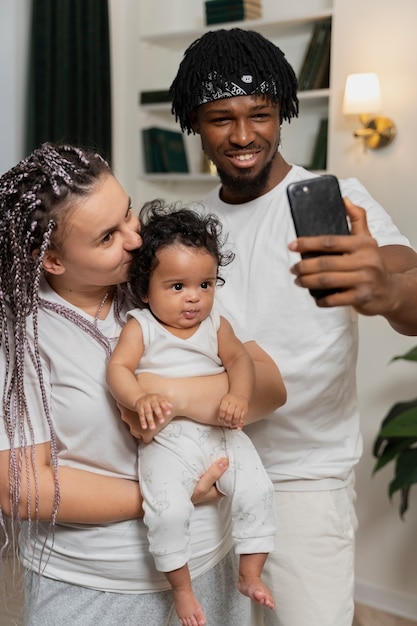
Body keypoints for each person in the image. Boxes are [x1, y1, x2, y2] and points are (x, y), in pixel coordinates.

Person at [166, 27, 417, 626]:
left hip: (305, 479)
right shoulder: (192, 222)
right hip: (209, 471)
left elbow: (406, 282)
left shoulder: (335, 196)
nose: (245, 135)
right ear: (195, 123)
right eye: (221, 118)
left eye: (261, 114)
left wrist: (385, 290)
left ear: (284, 113)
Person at [0, 142, 286, 626]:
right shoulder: (20, 332)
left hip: (209, 559)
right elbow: (19, 487)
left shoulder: (169, 279)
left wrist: (166, 394)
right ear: (50, 258)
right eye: (108, 237)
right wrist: (166, 495)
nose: (135, 239)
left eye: (128, 213)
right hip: (96, 583)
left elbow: (270, 386)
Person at [107, 201, 282, 626]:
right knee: (167, 512)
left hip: (222, 434)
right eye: (178, 286)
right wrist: (138, 399)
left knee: (258, 489)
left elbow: (242, 361)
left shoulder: (216, 325)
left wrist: (239, 396)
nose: (194, 298)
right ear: (146, 289)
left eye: (205, 284)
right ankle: (183, 591)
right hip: (166, 444)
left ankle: (250, 573)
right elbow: (118, 370)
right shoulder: (141, 326)